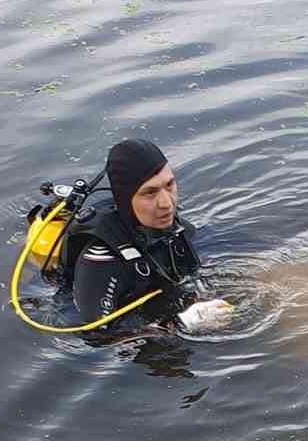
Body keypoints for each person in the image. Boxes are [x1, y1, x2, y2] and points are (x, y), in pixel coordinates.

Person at [58, 138, 201, 323]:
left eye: (169, 185)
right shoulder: (100, 258)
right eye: (150, 193)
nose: (166, 203)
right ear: (125, 199)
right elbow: (96, 335)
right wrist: (182, 323)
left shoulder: (178, 229)